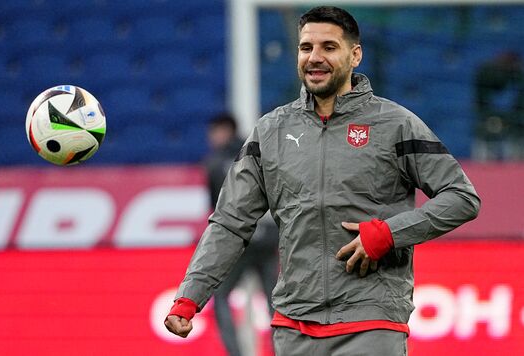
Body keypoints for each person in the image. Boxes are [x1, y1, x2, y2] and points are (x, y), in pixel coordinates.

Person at [165, 6, 480, 355]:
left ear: (354, 54)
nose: (314, 58)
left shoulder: (396, 124)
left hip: (370, 321)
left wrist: (389, 234)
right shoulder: (270, 131)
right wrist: (189, 296)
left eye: (328, 47)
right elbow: (229, 222)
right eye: (306, 48)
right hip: (294, 324)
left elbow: (462, 197)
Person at [204, 113, 278, 356]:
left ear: (223, 130)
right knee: (276, 301)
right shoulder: (262, 153)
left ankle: (235, 353)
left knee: (221, 294)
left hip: (240, 241)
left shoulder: (216, 163)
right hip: (269, 239)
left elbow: (217, 211)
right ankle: (284, 350)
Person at [472, 51, 524, 161]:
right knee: (486, 133)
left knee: (516, 142)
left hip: (514, 124)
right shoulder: (486, 75)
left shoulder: (518, 79)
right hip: (489, 119)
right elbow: (480, 103)